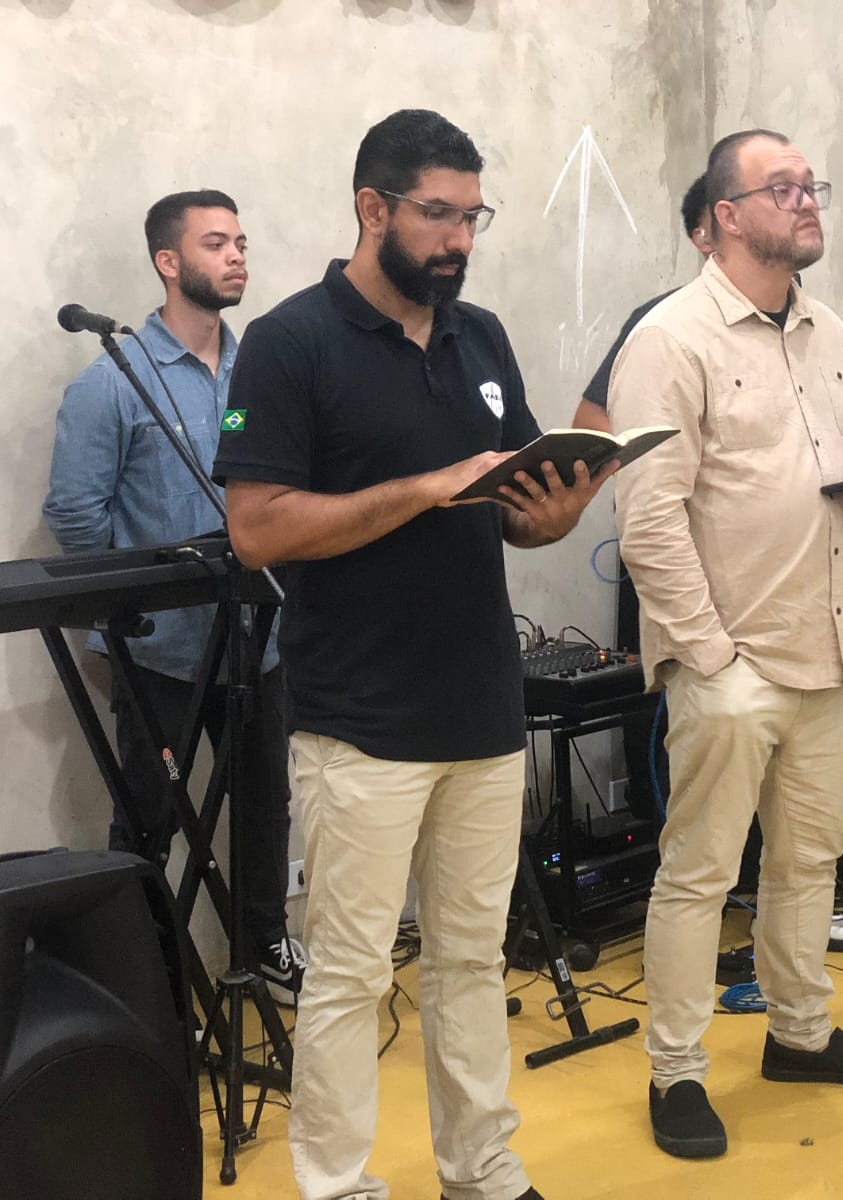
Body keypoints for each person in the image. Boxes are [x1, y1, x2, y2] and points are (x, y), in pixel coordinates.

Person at [215, 110, 610, 1200]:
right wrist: (422, 490)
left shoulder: (480, 337)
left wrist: (554, 512)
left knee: (472, 962)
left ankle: (480, 1170)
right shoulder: (291, 342)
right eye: (438, 214)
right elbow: (256, 530)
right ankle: (337, 1185)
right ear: (372, 208)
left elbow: (514, 508)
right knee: (349, 974)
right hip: (360, 720)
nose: (460, 239)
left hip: (481, 705)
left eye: (474, 216)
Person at [610, 128, 843, 1160]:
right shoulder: (670, 339)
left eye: (809, 184)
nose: (806, 200)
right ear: (725, 216)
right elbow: (648, 519)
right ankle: (676, 1071)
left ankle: (800, 1033)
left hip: (826, 647)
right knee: (699, 873)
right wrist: (710, 659)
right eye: (780, 187)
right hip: (731, 661)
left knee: (808, 860)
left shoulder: (830, 329)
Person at [42, 189, 302, 1004]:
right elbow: (74, 513)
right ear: (167, 261)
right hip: (159, 653)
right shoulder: (115, 381)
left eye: (241, 242)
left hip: (255, 640)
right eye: (216, 243)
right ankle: (148, 984)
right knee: (147, 820)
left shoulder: (260, 372)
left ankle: (264, 946)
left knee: (264, 807)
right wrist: (135, 602)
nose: (237, 256)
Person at [573, 174, 843, 446]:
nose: (798, 208)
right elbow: (590, 426)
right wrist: (678, 450)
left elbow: (835, 462)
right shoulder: (662, 323)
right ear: (703, 237)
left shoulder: (821, 325)